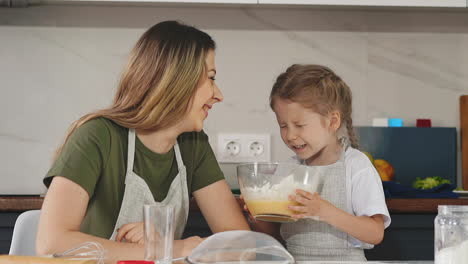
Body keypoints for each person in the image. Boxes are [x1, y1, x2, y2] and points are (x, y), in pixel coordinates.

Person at [36, 20, 250, 263]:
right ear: (178, 80)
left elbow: (242, 245)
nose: (218, 95)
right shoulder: (97, 136)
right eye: (211, 78)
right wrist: (171, 248)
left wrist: (163, 245)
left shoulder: (194, 144)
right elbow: (51, 242)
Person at [247, 64, 390, 261]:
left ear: (333, 121)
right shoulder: (291, 169)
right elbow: (277, 233)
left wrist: (323, 211)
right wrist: (258, 216)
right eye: (283, 125)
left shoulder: (356, 165)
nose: (290, 135)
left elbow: (375, 233)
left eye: (299, 125)